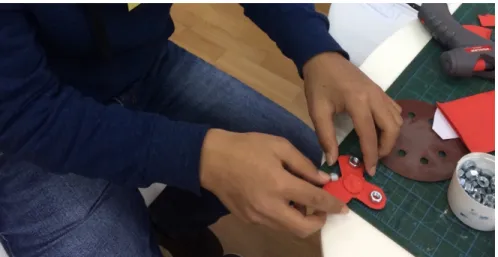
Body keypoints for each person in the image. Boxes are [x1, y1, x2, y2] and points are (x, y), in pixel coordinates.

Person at [0, 3, 402, 257]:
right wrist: (199, 157)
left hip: (142, 65)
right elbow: (24, 112)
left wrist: (317, 49)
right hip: (24, 134)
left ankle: (170, 223)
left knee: (294, 154)